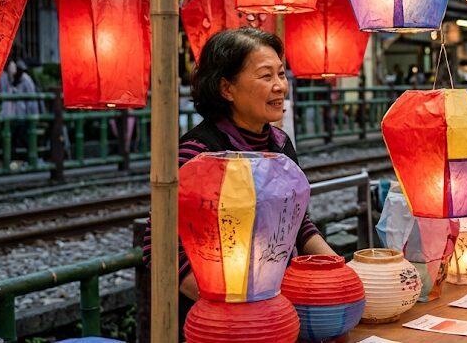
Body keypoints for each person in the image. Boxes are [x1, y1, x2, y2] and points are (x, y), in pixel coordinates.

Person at [142, 28, 334, 336]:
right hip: (215, 325)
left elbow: (297, 225)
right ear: (226, 88)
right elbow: (160, 247)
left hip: (276, 315)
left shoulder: (280, 145)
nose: (279, 87)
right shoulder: (197, 153)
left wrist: (339, 269)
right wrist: (233, 312)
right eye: (265, 76)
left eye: (281, 75)